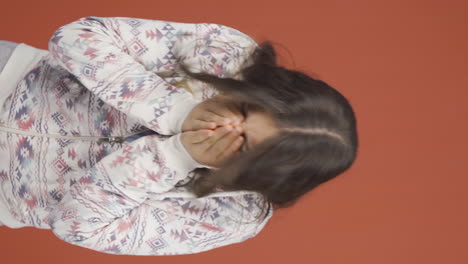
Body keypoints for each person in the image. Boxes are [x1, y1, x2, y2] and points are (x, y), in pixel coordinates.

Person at [0, 16, 358, 255]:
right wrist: (174, 110)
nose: (227, 127)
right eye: (245, 110)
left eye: (242, 146)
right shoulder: (232, 57)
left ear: (260, 174)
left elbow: (77, 227)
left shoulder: (234, 216)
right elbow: (76, 37)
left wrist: (176, 155)